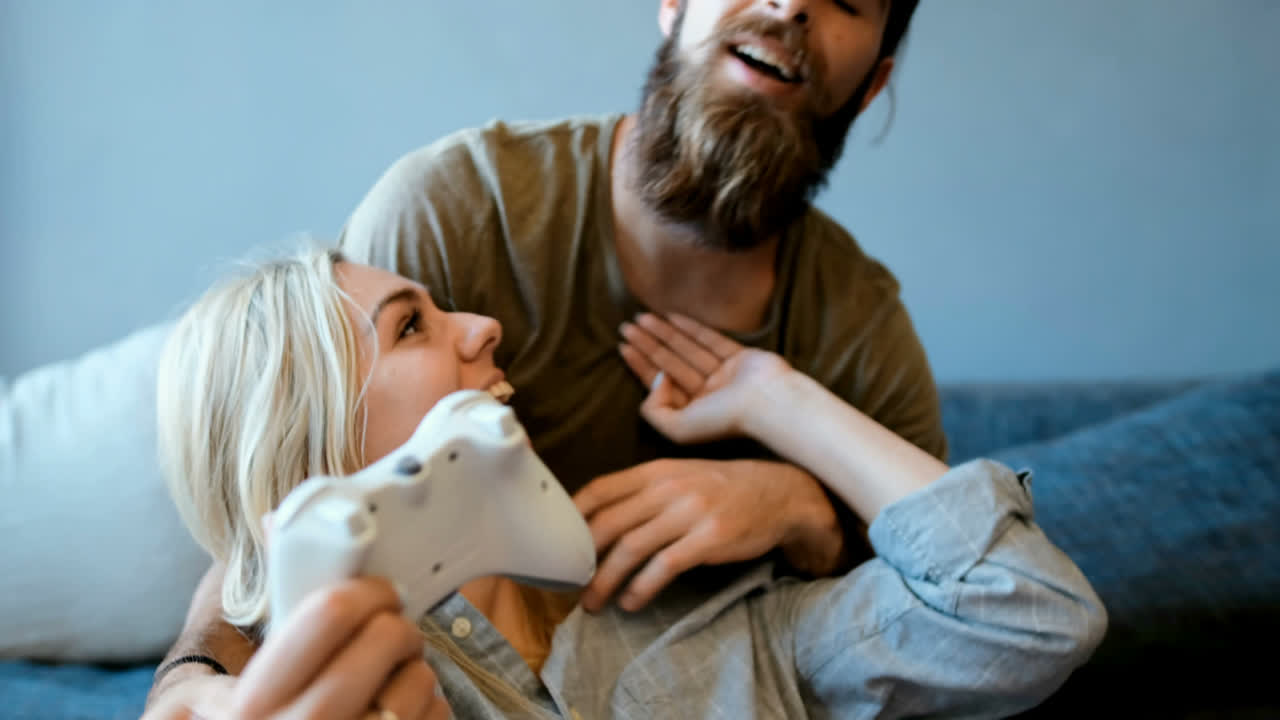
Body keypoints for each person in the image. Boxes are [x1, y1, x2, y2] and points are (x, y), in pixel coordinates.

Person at [149, 0, 952, 708]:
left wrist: (799, 508)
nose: (792, 5)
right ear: (674, 2)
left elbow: (949, 575)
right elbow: (293, 476)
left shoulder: (860, 325)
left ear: (871, 84)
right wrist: (190, 680)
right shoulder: (456, 209)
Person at [145, 249, 1105, 719]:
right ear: (312, 444)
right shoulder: (341, 692)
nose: (482, 324)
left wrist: (779, 404)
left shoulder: (709, 618)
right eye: (411, 327)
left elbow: (1035, 615)